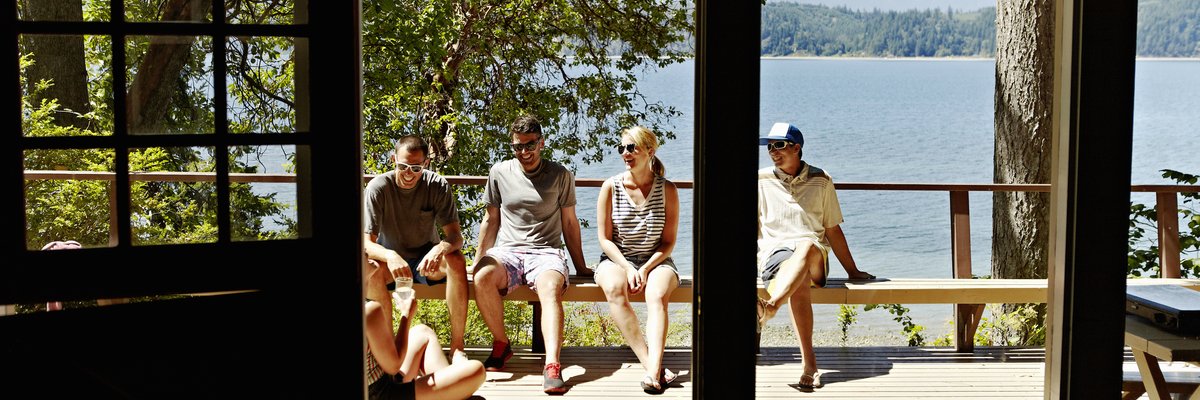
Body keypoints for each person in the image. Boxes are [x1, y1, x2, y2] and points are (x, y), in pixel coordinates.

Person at [471, 114, 591, 394]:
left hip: (546, 252)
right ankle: (501, 344)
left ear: (542, 143)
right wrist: (478, 260)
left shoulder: (560, 175)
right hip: (508, 251)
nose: (524, 152)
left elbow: (570, 223)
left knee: (550, 288)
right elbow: (491, 220)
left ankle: (552, 365)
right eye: (517, 146)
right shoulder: (499, 172)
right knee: (482, 277)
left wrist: (581, 266)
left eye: (530, 145)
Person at [755, 122, 875, 390]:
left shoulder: (821, 179)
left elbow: (832, 228)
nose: (773, 151)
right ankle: (809, 366)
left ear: (797, 148)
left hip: (814, 257)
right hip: (776, 256)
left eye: (780, 145)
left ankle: (771, 306)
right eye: (769, 146)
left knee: (808, 246)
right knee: (799, 286)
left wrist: (852, 271)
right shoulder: (761, 180)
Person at [364, 135, 470, 361]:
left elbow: (456, 237)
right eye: (403, 166)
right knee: (370, 269)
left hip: (426, 262)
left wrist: (440, 248)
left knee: (457, 260)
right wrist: (390, 256)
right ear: (393, 160)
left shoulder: (437, 184)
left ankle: (457, 347)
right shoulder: (378, 187)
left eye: (415, 168)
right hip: (390, 265)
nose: (408, 173)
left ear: (425, 164)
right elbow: (366, 243)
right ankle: (387, 348)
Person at [594, 126, 680, 394]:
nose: (625, 153)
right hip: (617, 258)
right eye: (622, 148)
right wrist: (628, 267)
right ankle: (653, 368)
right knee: (614, 289)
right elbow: (605, 240)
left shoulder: (668, 190)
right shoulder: (611, 187)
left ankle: (653, 371)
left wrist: (644, 268)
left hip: (657, 261)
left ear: (650, 151)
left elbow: (668, 243)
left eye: (631, 148)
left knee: (657, 294)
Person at [363, 255, 486, 400]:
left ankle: (453, 393)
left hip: (382, 381)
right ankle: (454, 394)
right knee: (476, 370)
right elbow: (394, 366)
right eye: (363, 253)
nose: (367, 254)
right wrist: (406, 315)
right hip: (384, 394)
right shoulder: (369, 311)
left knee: (422, 332)